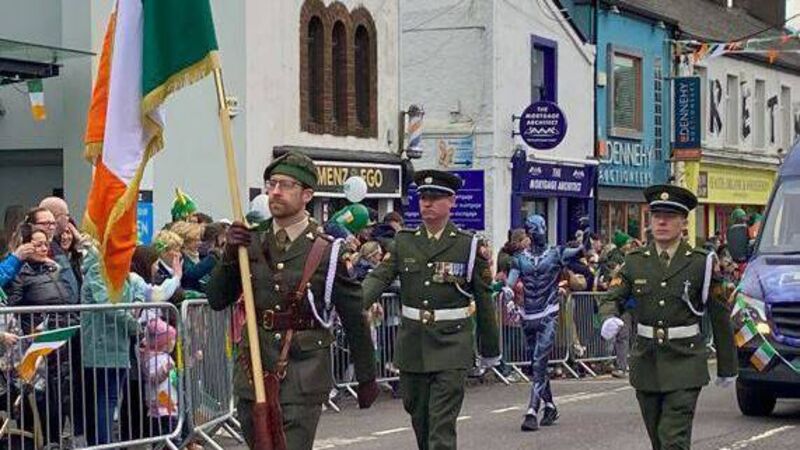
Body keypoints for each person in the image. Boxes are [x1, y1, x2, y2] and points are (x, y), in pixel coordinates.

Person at [206, 151, 378, 449]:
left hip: (302, 372)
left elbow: (352, 316)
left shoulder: (326, 251)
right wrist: (230, 257)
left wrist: (366, 376)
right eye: (271, 184)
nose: (275, 192)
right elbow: (217, 299)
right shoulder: (252, 242)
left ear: (307, 194)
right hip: (254, 372)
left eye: (286, 185)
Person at [363, 169, 500, 450]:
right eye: (423, 197)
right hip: (412, 344)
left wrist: (489, 348)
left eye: (435, 198)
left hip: (452, 345)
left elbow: (484, 299)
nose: (427, 203)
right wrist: (355, 305)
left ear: (452, 202)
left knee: (441, 426)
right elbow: (379, 277)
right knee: (420, 418)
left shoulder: (468, 245)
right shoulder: (405, 241)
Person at [599, 184, 737, 450]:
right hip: (647, 361)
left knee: (673, 439)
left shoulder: (700, 262)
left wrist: (727, 367)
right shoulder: (635, 261)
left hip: (685, 361)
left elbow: (719, 315)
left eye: (670, 216)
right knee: (658, 439)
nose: (662, 221)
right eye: (656, 215)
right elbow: (612, 296)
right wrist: (607, 318)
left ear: (683, 222)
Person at [502, 214, 580, 432]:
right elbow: (509, 283)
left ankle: (531, 411)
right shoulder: (520, 258)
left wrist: (582, 236)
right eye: (535, 229)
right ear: (528, 232)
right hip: (528, 315)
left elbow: (580, 252)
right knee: (538, 366)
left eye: (543, 227)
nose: (540, 232)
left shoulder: (556, 253)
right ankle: (550, 405)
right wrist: (507, 298)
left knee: (538, 361)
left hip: (549, 313)